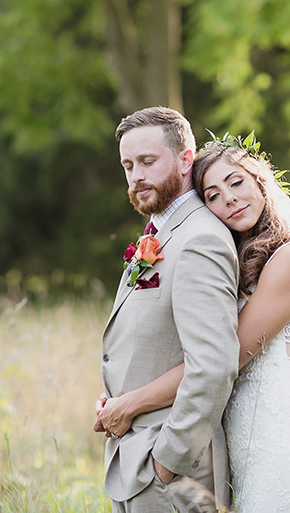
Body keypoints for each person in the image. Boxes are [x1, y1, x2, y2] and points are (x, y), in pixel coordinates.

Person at [95, 136, 290, 512]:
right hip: (246, 449)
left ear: (260, 181)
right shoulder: (242, 260)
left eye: (236, 183)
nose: (229, 199)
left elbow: (224, 358)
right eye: (213, 195)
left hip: (283, 449)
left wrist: (130, 404)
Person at [94, 107, 240, 512]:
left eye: (147, 161)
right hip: (133, 456)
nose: (136, 175)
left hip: (173, 471)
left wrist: (166, 463)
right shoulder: (162, 233)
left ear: (185, 159)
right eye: (127, 165)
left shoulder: (200, 240)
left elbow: (212, 365)